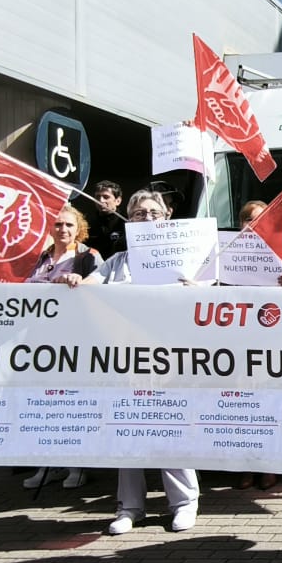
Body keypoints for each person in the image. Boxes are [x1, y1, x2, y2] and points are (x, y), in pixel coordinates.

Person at [84, 190, 201, 535]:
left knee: (171, 429)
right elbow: (90, 287)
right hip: (125, 358)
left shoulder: (186, 258)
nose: (147, 218)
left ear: (166, 218)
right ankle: (130, 507)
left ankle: (184, 503)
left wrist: (195, 289)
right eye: (138, 214)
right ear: (128, 221)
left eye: (154, 213)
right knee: (127, 431)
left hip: (169, 358)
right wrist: (77, 281)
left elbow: (211, 297)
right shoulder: (118, 261)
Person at [21, 206, 101, 492]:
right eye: (57, 225)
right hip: (38, 341)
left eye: (68, 224)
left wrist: (78, 282)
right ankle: (48, 463)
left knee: (70, 403)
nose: (62, 230)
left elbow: (100, 292)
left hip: (73, 343)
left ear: (78, 227)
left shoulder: (87, 257)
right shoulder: (38, 259)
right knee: (44, 405)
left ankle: (76, 465)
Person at [84, 179, 127, 259]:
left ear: (118, 201)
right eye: (97, 197)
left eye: (106, 197)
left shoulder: (127, 223)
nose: (101, 200)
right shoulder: (87, 224)